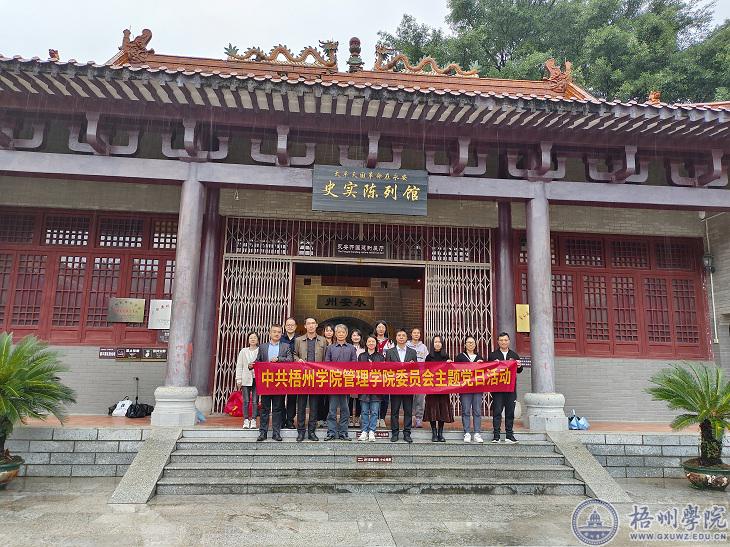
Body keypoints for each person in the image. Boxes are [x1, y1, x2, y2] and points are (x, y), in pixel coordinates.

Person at [293, 317, 328, 442]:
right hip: (303, 377)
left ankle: (312, 432)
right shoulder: (298, 340)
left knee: (314, 406)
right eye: (309, 323)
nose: (311, 325)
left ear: (316, 325)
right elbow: (294, 354)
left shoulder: (323, 340)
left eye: (313, 323)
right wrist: (297, 360)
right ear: (305, 326)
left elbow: (326, 358)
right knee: (301, 406)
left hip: (317, 378)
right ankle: (301, 431)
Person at [256, 324, 293, 442]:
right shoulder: (262, 347)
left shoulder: (285, 346)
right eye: (274, 331)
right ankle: (263, 432)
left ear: (281, 334)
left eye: (279, 332)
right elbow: (258, 361)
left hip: (279, 382)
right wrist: (252, 365)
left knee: (278, 409)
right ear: (270, 333)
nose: (276, 334)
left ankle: (276, 433)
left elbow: (290, 360)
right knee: (264, 409)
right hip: (266, 382)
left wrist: (279, 359)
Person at [487, 332, 523, 444]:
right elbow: (487, 371)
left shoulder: (514, 355)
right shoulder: (493, 355)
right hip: (497, 389)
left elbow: (519, 370)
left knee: (510, 412)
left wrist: (519, 366)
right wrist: (493, 365)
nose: (503, 342)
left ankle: (509, 435)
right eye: (501, 340)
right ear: (498, 342)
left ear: (509, 341)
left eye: (505, 340)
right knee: (497, 411)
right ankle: (496, 436)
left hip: (510, 389)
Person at [324, 324, 357, 441]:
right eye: (339, 332)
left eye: (343, 332)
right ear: (336, 334)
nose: (341, 334)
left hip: (346, 382)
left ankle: (343, 432)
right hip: (334, 382)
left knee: (345, 409)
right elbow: (327, 364)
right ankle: (331, 432)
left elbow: (354, 364)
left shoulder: (351, 348)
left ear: (346, 334)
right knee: (332, 409)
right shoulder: (330, 348)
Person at [385, 328, 417, 443]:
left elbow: (415, 370)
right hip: (395, 386)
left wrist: (412, 366)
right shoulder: (390, 352)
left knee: (408, 410)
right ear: (396, 338)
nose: (401, 337)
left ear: (407, 338)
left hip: (408, 386)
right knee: (394, 410)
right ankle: (395, 433)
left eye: (403, 335)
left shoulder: (412, 352)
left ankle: (407, 433)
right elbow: (387, 368)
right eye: (399, 335)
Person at [423, 335, 454, 442]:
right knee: (432, 409)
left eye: (439, 342)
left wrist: (450, 364)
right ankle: (434, 432)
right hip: (432, 388)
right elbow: (425, 372)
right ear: (433, 344)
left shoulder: (446, 356)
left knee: (442, 410)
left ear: (442, 344)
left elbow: (450, 372)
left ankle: (440, 433)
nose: (437, 344)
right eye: (435, 342)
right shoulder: (429, 357)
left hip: (443, 388)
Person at [455, 336, 486, 444]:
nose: (470, 344)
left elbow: (486, 372)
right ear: (465, 344)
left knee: (477, 410)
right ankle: (467, 432)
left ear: (475, 344)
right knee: (466, 410)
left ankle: (477, 433)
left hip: (477, 388)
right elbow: (454, 370)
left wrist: (483, 364)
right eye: (468, 342)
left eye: (472, 342)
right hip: (465, 388)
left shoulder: (480, 357)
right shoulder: (460, 357)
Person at [357, 335, 384, 442]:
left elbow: (383, 372)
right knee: (364, 411)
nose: (371, 343)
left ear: (376, 344)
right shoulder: (361, 356)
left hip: (376, 388)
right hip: (364, 387)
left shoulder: (380, 357)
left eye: (373, 341)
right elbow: (357, 371)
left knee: (374, 411)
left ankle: (372, 430)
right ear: (366, 343)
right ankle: (364, 431)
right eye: (369, 341)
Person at [235, 332, 260, 430]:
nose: (253, 339)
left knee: (255, 401)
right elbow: (239, 365)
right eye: (251, 338)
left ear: (257, 340)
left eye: (255, 338)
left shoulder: (260, 350)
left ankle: (253, 419)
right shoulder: (243, 351)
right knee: (245, 401)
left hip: (257, 379)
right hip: (245, 378)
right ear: (248, 340)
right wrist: (238, 379)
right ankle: (246, 419)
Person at [407, 327, 429, 428]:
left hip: (420, 376)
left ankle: (419, 418)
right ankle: (410, 418)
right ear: (411, 334)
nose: (416, 334)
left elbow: (427, 361)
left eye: (418, 333)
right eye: (414, 333)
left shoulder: (423, 347)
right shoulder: (406, 345)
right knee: (409, 399)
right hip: (408, 376)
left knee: (420, 399)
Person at [374, 320, 394, 428]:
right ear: (376, 328)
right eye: (379, 327)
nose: (381, 329)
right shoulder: (372, 340)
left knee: (385, 397)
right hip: (374, 373)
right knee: (375, 396)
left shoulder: (390, 342)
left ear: (386, 329)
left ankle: (382, 418)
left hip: (386, 373)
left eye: (383, 327)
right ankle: (375, 417)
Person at [316, 324, 335, 427]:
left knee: (329, 397)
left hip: (332, 374)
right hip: (321, 373)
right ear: (324, 332)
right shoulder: (319, 342)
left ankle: (327, 418)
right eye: (327, 330)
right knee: (320, 397)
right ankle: (319, 419)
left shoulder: (336, 343)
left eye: (331, 330)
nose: (329, 332)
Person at [281, 317, 299, 429]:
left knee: (292, 398)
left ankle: (290, 421)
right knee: (280, 397)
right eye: (288, 325)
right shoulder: (280, 338)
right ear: (285, 326)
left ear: (296, 326)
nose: (290, 327)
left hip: (295, 372)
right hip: (282, 371)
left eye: (292, 325)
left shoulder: (300, 339)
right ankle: (281, 420)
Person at [349, 329, 365, 427]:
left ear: (360, 337)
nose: (356, 337)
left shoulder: (364, 348)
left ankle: (358, 418)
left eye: (358, 335)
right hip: (350, 376)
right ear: (351, 337)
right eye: (354, 335)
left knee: (359, 398)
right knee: (350, 398)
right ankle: (350, 418)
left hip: (361, 376)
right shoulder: (348, 347)